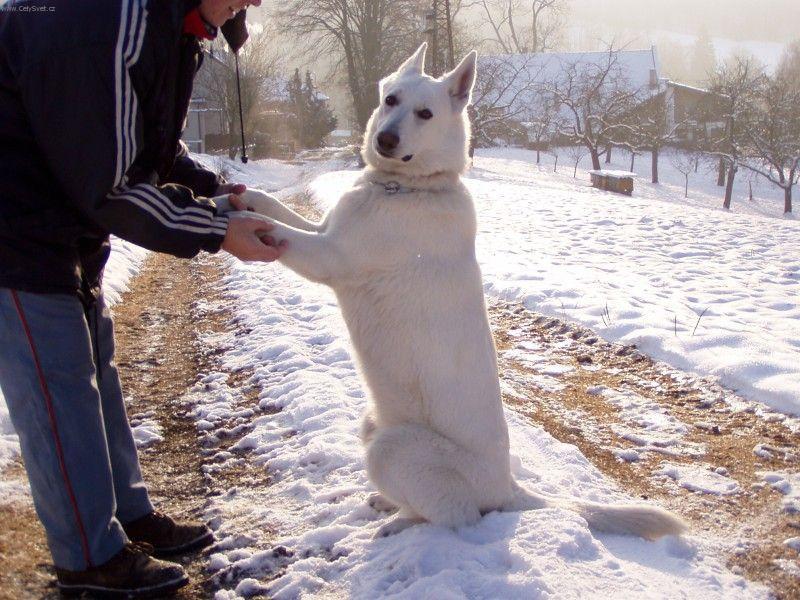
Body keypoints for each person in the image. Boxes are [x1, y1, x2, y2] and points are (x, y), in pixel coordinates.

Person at [0, 0, 274, 596]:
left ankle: (126, 514)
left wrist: (217, 193)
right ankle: (88, 558)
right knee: (58, 386)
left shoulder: (173, 27)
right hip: (15, 225)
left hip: (61, 213)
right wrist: (213, 228)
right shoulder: (107, 21)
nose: (251, 2)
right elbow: (112, 181)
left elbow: (148, 145)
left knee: (95, 364)